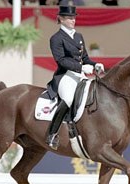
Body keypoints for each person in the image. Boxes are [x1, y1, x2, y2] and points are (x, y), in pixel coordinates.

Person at [46, 4, 104, 150]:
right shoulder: (56, 38)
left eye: (74, 17)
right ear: (61, 19)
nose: (73, 20)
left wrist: (95, 64)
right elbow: (61, 60)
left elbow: (85, 58)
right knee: (69, 99)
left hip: (80, 75)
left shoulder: (78, 36)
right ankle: (52, 134)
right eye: (70, 18)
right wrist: (80, 67)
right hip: (65, 76)